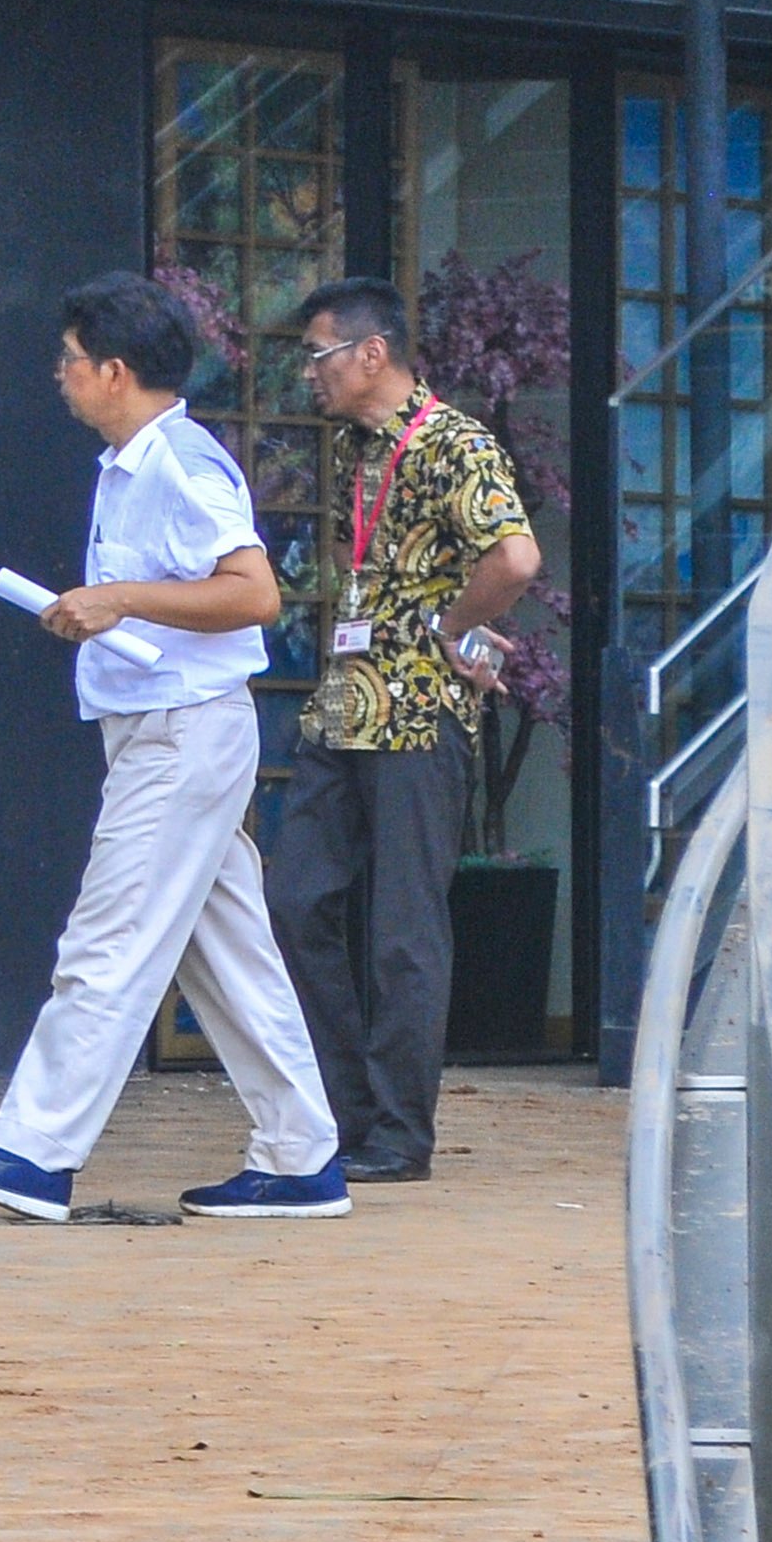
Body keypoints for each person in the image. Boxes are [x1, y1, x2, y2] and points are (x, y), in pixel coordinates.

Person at [0, 273, 348, 1223]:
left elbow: (254, 593)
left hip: (181, 731)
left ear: (114, 372)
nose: (60, 378)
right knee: (227, 952)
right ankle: (302, 1152)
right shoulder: (140, 462)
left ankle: (34, 1151)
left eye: (70, 363)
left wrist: (118, 598)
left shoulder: (179, 463)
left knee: (107, 941)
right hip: (171, 728)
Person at [266, 277, 539, 1184]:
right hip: (343, 706)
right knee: (297, 899)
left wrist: (456, 626)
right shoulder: (355, 451)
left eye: (318, 353)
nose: (310, 372)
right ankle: (347, 1112)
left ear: (370, 353)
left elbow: (516, 555)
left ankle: (395, 1134)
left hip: (419, 711)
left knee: (402, 930)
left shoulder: (455, 442)